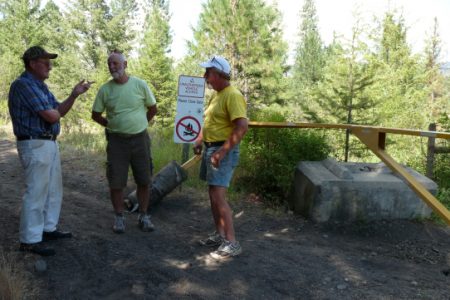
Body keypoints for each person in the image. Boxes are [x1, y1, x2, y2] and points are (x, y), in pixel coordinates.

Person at [8, 46, 93, 256]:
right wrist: (55, 112)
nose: (50, 67)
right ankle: (29, 240)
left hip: (48, 143)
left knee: (53, 190)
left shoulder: (41, 87)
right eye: (45, 62)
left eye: (50, 62)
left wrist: (74, 95)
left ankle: (47, 229)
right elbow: (52, 116)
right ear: (32, 64)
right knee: (36, 192)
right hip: (34, 143)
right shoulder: (23, 85)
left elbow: (59, 111)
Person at [92, 50, 157, 234]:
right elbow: (95, 114)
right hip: (116, 142)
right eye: (109, 64)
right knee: (116, 181)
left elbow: (153, 108)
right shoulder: (105, 89)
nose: (112, 67)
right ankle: (119, 217)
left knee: (144, 179)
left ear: (125, 64)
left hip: (140, 139)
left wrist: (142, 122)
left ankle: (144, 216)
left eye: (115, 63)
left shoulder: (140, 85)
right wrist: (109, 124)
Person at [194, 55, 248, 259]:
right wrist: (200, 139)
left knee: (218, 197)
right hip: (211, 148)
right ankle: (220, 234)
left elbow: (242, 127)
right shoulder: (217, 95)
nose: (205, 76)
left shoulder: (232, 95)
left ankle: (232, 242)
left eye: (207, 73)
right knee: (212, 195)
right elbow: (209, 122)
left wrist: (222, 152)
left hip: (222, 150)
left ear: (217, 74)